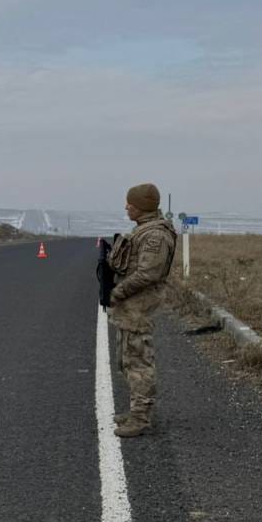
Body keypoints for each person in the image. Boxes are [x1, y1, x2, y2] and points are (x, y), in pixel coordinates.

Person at [107, 183, 178, 438]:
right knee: (127, 360)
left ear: (142, 206)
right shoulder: (144, 231)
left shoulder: (155, 236)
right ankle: (135, 410)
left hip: (138, 305)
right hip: (131, 307)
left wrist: (119, 291)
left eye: (131, 203)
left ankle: (140, 417)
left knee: (138, 362)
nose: (126, 207)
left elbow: (149, 273)